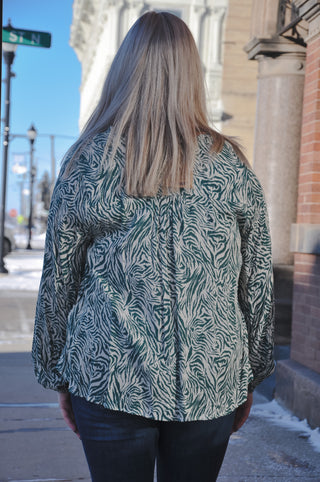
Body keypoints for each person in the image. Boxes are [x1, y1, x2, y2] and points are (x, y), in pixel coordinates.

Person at [32, 11, 275, 482]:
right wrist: (253, 372)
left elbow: (59, 279)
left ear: (125, 69)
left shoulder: (87, 163)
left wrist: (56, 372)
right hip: (211, 379)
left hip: (107, 377)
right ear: (192, 74)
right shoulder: (232, 167)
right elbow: (258, 280)